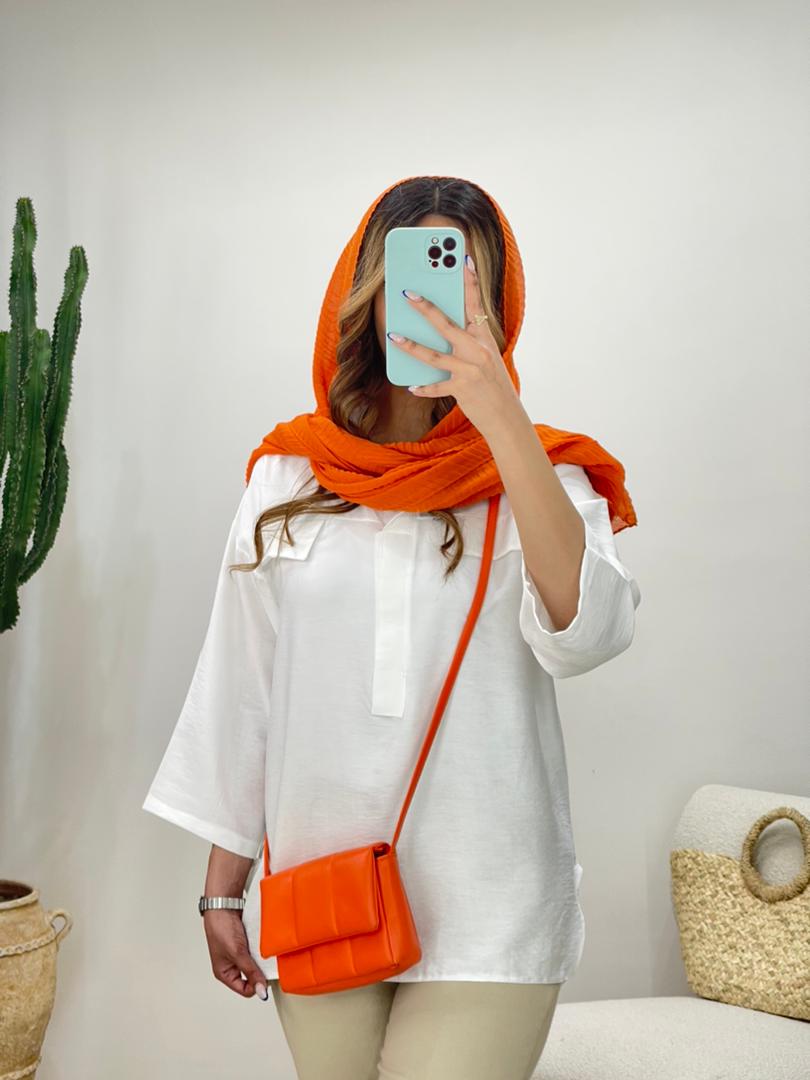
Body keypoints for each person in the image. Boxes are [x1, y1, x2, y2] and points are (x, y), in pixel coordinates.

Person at [142, 174, 641, 1080]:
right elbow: (244, 688)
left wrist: (502, 419)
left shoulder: (544, 476)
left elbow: (589, 634)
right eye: (418, 279)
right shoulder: (289, 477)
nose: (440, 306)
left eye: (466, 283)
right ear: (367, 294)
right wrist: (221, 891)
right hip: (321, 888)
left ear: (501, 306)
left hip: (492, 903)